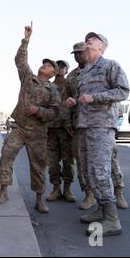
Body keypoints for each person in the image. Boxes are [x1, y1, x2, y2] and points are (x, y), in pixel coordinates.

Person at [66, 32, 130, 237]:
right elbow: (83, 97)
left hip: (102, 126)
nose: (89, 40)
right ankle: (102, 210)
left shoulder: (110, 65)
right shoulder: (84, 72)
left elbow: (123, 91)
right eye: (88, 38)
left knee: (100, 171)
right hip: (84, 126)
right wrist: (75, 101)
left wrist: (94, 97)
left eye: (94, 39)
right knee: (88, 171)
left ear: (102, 47)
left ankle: (112, 219)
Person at [0, 22, 61, 214]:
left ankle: (39, 198)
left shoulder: (53, 90)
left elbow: (55, 113)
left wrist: (38, 110)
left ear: (53, 73)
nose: (44, 65)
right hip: (20, 127)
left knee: (38, 165)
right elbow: (20, 61)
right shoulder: (27, 78)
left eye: (49, 65)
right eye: (44, 63)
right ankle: (3, 190)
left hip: (38, 132)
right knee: (7, 153)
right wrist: (26, 39)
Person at [46, 60, 76, 203]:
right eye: (58, 66)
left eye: (63, 66)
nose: (60, 69)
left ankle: (68, 189)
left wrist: (71, 123)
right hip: (51, 129)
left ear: (66, 70)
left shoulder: (70, 84)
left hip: (66, 129)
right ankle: (56, 188)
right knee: (52, 161)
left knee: (68, 161)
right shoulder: (49, 86)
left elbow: (75, 104)